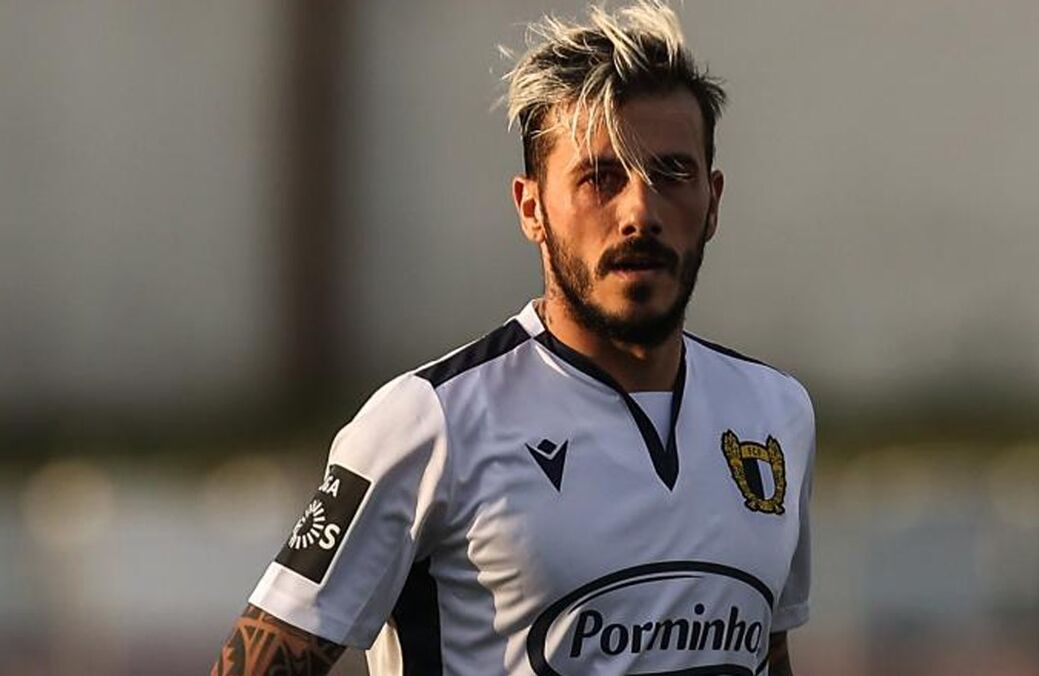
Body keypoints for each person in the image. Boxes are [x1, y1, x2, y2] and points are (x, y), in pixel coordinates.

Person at [211, 2, 814, 674]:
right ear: (532, 208)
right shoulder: (427, 424)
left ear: (714, 201)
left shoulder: (775, 414)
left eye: (672, 174)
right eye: (600, 178)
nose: (640, 212)